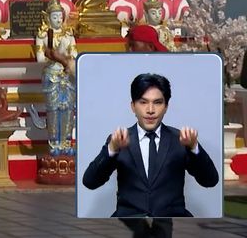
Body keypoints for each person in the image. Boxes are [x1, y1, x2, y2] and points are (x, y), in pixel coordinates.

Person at [82, 73, 219, 237]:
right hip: (129, 223)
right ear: (133, 106)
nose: (150, 110)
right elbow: (89, 182)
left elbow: (210, 180)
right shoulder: (119, 140)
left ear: (166, 106)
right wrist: (111, 150)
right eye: (143, 102)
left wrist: (194, 148)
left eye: (157, 103)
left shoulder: (180, 140)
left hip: (172, 224)